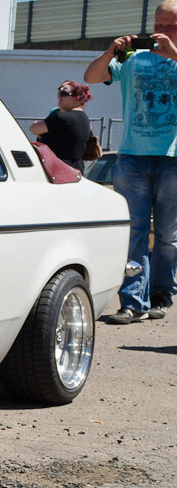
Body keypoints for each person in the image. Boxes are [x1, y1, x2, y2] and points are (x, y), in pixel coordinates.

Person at [85, 0, 177, 324]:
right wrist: (111, 51)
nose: (164, 33)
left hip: (172, 158)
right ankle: (132, 302)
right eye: (161, 26)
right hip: (132, 156)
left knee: (167, 235)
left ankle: (161, 295)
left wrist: (174, 53)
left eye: (172, 27)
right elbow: (92, 76)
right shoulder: (133, 57)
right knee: (134, 231)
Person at [29, 80, 92, 170]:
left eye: (63, 93)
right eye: (59, 91)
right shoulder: (85, 119)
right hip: (75, 171)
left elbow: (33, 129)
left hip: (57, 172)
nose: (59, 96)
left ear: (76, 99)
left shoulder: (61, 117)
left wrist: (38, 127)